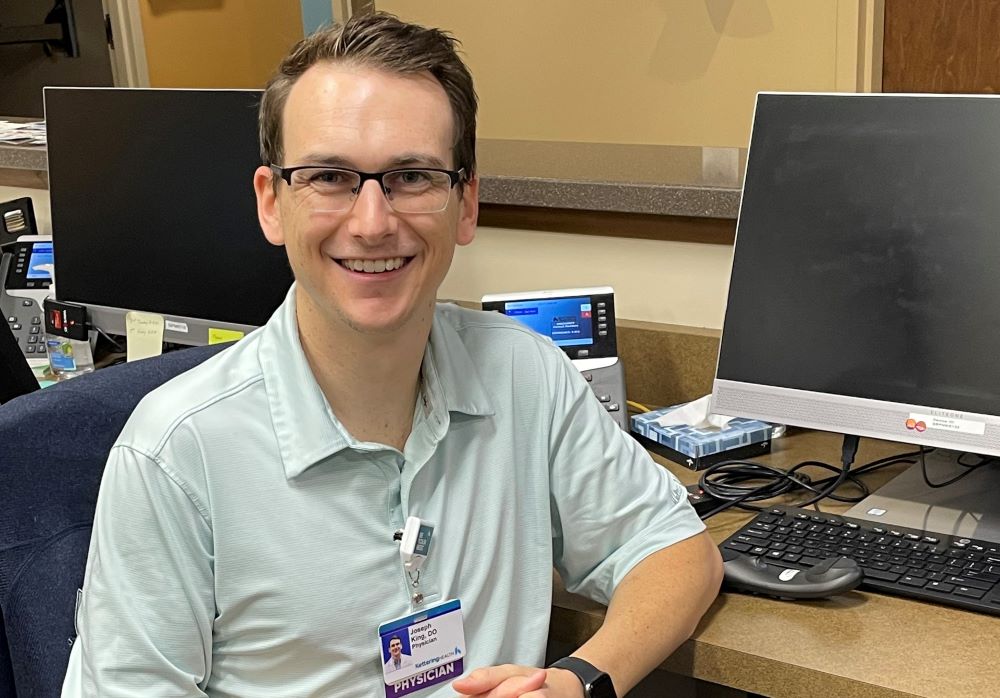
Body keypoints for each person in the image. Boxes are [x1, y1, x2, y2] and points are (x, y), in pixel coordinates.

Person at [62, 11, 722, 698]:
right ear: (270, 203)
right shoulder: (176, 454)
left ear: (465, 204)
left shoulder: (526, 378)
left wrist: (582, 681)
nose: (373, 223)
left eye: (412, 177)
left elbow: (676, 551)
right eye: (328, 176)